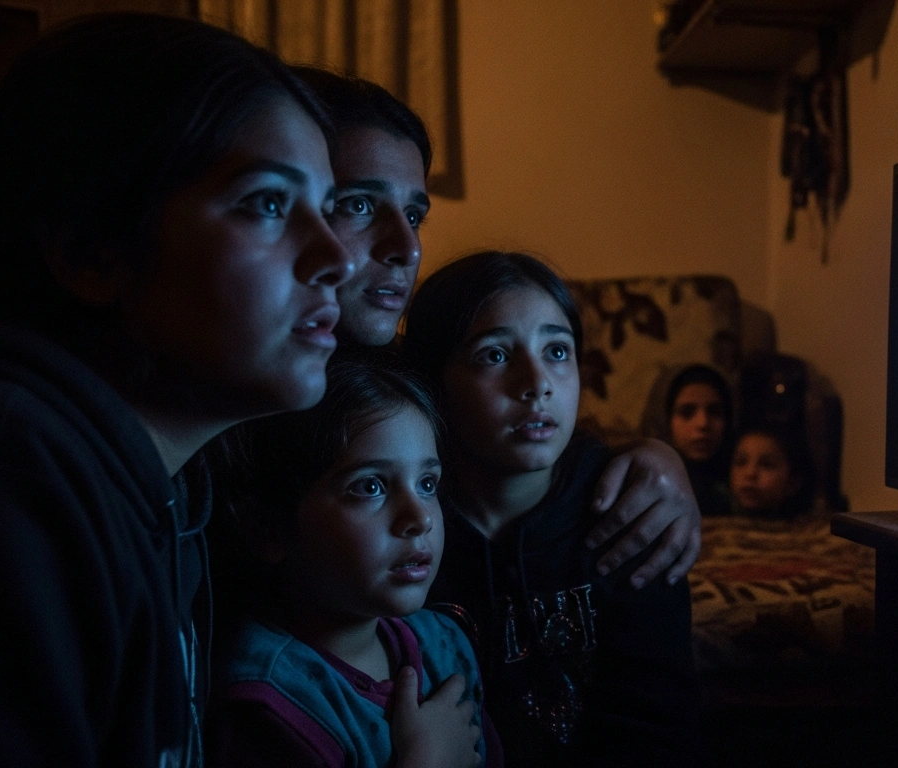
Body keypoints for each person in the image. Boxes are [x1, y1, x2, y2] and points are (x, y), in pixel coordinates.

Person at [0, 14, 353, 764]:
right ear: (90, 253)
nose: (336, 256)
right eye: (267, 203)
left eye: (328, 210)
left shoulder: (170, 491)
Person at [291, 66, 704, 588]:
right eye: (359, 204)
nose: (408, 247)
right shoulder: (239, 399)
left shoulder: (400, 386)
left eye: (415, 216)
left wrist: (658, 460)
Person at [402, 251, 702, 766]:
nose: (536, 382)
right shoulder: (405, 524)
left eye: (557, 351)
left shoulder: (630, 512)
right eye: (494, 355)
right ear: (434, 382)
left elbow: (656, 729)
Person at [209, 356, 497, 768]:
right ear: (267, 529)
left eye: (427, 484)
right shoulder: (268, 705)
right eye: (371, 486)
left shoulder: (444, 644)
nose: (420, 518)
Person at [660, 364, 734, 517]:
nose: (703, 423)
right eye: (687, 412)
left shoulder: (747, 486)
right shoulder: (648, 488)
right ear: (666, 422)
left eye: (715, 412)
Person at [729, 428, 814, 519]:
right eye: (740, 462)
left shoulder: (815, 530)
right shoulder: (716, 526)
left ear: (793, 482)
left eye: (767, 465)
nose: (750, 473)